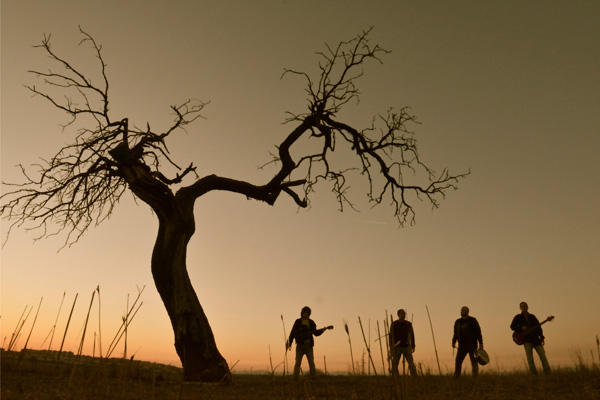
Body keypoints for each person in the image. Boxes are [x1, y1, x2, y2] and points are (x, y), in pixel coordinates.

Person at [510, 301, 551, 374]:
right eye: (522, 306)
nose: (524, 307)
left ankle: (548, 374)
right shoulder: (518, 317)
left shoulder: (532, 316)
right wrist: (521, 328)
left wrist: (541, 337)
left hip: (536, 340)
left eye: (525, 306)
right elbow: (512, 327)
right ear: (520, 308)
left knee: (543, 357)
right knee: (530, 360)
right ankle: (534, 375)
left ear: (527, 307)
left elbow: (539, 327)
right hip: (527, 341)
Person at [287, 306, 327, 380]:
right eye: (304, 312)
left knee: (311, 363)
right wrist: (290, 343)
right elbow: (292, 333)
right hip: (300, 345)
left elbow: (315, 333)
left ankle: (313, 378)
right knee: (297, 363)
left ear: (309, 314)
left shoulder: (311, 322)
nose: (305, 314)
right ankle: (295, 378)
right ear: (302, 313)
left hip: (309, 346)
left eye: (307, 313)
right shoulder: (298, 322)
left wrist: (322, 331)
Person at [452, 306, 483, 377]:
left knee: (474, 361)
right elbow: (455, 333)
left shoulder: (473, 320)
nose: (461, 311)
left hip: (472, 345)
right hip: (462, 345)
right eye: (461, 310)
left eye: (463, 310)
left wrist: (481, 343)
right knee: (458, 361)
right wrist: (453, 342)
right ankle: (457, 377)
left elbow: (478, 332)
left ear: (467, 311)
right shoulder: (458, 322)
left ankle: (475, 377)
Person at [389, 309, 417, 376]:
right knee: (395, 363)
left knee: (411, 363)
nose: (403, 315)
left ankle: (414, 377)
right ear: (398, 315)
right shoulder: (394, 324)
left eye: (404, 313)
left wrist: (413, 345)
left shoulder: (408, 324)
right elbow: (391, 336)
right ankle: (395, 377)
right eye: (402, 313)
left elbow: (412, 335)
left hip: (406, 346)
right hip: (397, 347)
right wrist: (391, 346)